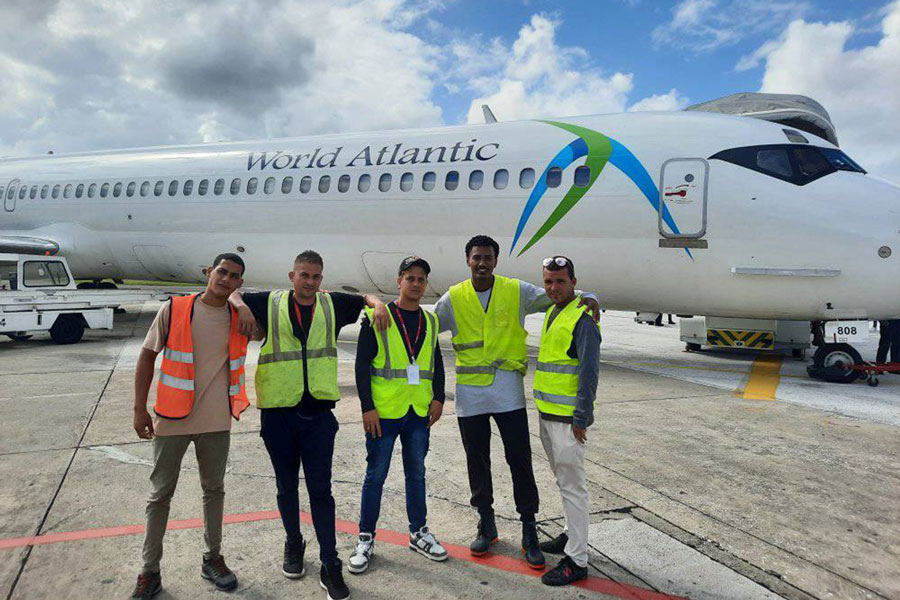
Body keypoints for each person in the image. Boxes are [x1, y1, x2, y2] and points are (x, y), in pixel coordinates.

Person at [229, 250, 388, 600]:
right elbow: (230, 291)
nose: (310, 282)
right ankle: (293, 542)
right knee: (286, 488)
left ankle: (330, 563)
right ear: (292, 276)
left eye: (316, 277)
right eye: (304, 276)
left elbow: (365, 296)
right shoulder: (269, 303)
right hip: (278, 415)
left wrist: (376, 305)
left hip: (317, 417)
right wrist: (240, 305)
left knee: (321, 491)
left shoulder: (331, 305)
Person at [433, 234, 599, 569]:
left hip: (508, 393)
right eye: (476, 257)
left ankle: (528, 529)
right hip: (471, 396)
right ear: (468, 260)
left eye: (488, 257)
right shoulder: (454, 297)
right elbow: (425, 327)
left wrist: (590, 295)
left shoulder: (516, 290)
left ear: (496, 260)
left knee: (520, 462)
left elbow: (557, 295)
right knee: (476, 462)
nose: (482, 263)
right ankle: (486, 522)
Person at [131, 253, 250, 599]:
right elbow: (147, 356)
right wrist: (139, 409)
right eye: (221, 272)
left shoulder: (237, 317)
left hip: (216, 422)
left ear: (239, 284)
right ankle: (149, 571)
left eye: (234, 277)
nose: (226, 279)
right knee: (159, 496)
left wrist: (242, 306)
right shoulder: (176, 309)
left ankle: (212, 559)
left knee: (214, 491)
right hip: (171, 419)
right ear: (208, 273)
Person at [348, 256, 448, 574]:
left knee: (416, 475)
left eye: (421, 279)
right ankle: (365, 538)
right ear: (399, 281)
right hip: (385, 413)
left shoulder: (430, 321)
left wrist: (438, 398)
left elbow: (437, 361)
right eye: (410, 278)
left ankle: (418, 532)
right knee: (375, 476)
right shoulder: (379, 315)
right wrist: (367, 407)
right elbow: (362, 365)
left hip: (418, 412)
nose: (416, 284)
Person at [532, 256, 600, 587]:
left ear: (574, 282)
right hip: (548, 416)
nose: (554, 288)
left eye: (560, 281)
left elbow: (589, 372)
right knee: (563, 481)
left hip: (567, 420)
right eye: (548, 282)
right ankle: (570, 537)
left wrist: (582, 418)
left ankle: (578, 560)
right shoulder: (551, 312)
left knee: (573, 486)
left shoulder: (583, 319)